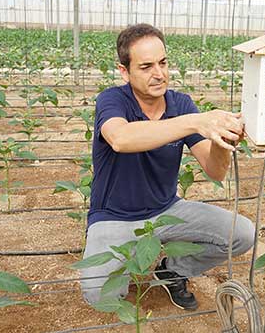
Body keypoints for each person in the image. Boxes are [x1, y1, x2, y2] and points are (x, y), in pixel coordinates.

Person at [80, 23, 255, 311]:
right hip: (114, 217)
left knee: (242, 233)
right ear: (125, 71)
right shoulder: (113, 99)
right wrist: (196, 122)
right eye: (146, 66)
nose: (159, 74)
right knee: (102, 298)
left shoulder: (181, 104)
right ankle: (124, 260)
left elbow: (215, 170)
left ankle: (172, 269)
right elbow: (121, 139)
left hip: (166, 210)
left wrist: (223, 142)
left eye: (163, 63)